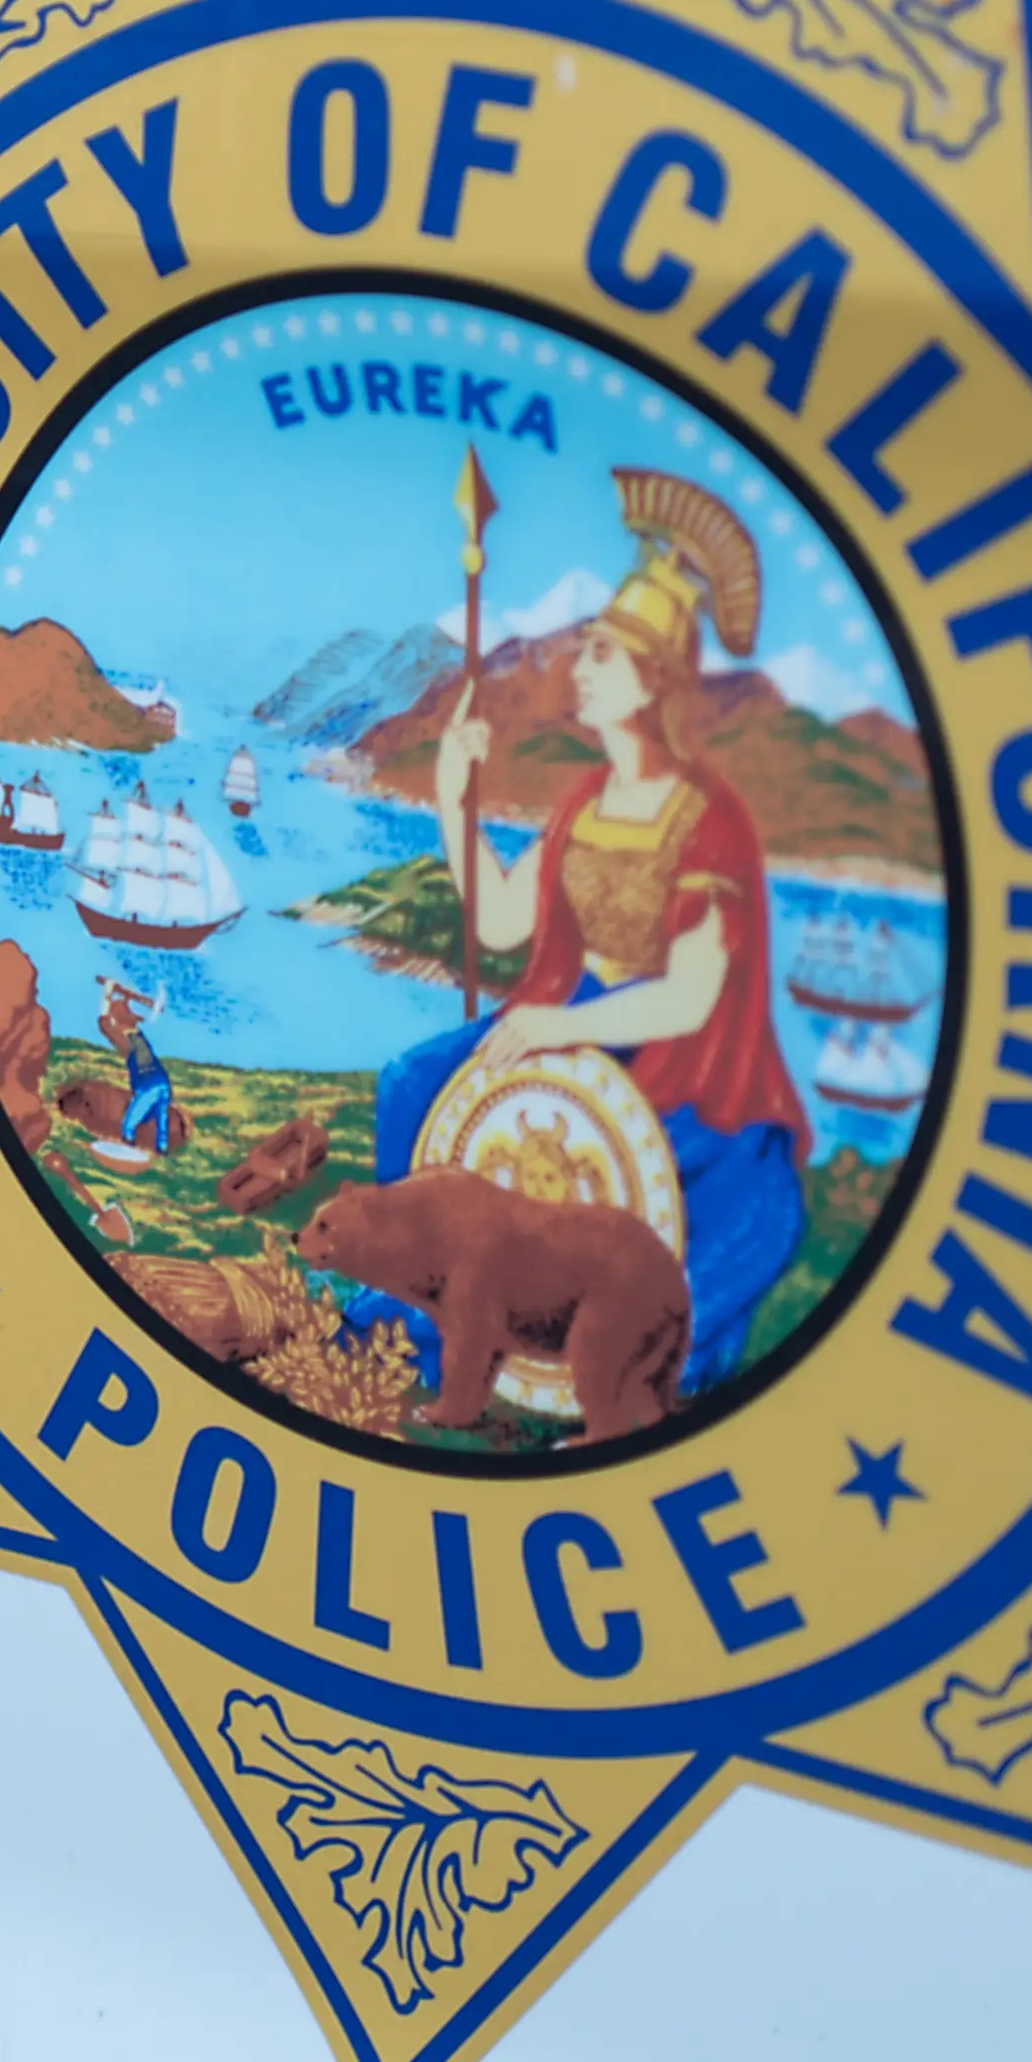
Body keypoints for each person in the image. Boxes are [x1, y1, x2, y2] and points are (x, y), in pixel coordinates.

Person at [369, 469, 812, 1399]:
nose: (581, 666)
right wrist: (451, 799)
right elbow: (500, 919)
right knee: (409, 1080)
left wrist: (559, 1027)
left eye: (603, 654)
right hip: (571, 1008)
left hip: (664, 1047)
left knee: (705, 1202)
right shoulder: (584, 802)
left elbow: (691, 996)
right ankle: (411, 1297)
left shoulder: (706, 818)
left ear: (651, 681)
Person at [96, 974, 177, 1161]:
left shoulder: (125, 1040)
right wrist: (124, 996)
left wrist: (107, 993)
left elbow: (103, 1022)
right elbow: (121, 1016)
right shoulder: (138, 1034)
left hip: (147, 1084)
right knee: (159, 1117)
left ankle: (129, 1148)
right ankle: (162, 1147)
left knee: (129, 1126)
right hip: (162, 1083)